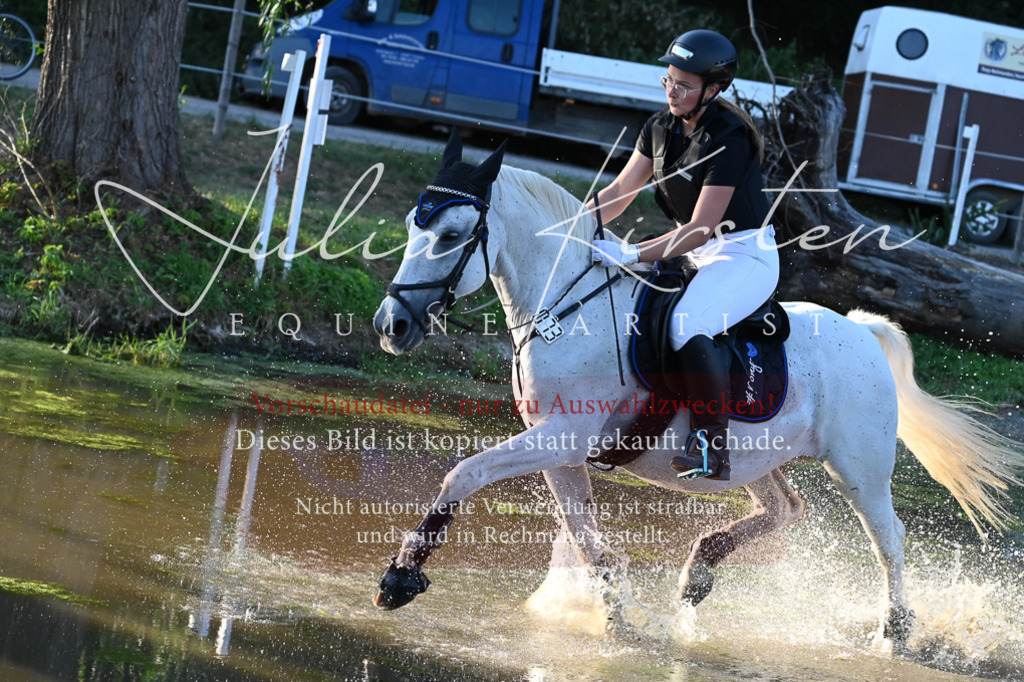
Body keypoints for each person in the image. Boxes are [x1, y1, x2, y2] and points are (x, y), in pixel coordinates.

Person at [589, 29, 779, 481]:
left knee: (687, 322)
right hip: (692, 252)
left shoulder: (729, 138)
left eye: (684, 86)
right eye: (668, 80)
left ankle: (713, 446)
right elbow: (619, 192)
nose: (672, 91)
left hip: (741, 255)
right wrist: (571, 224)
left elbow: (699, 229)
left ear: (712, 90)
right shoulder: (659, 127)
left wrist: (629, 251)